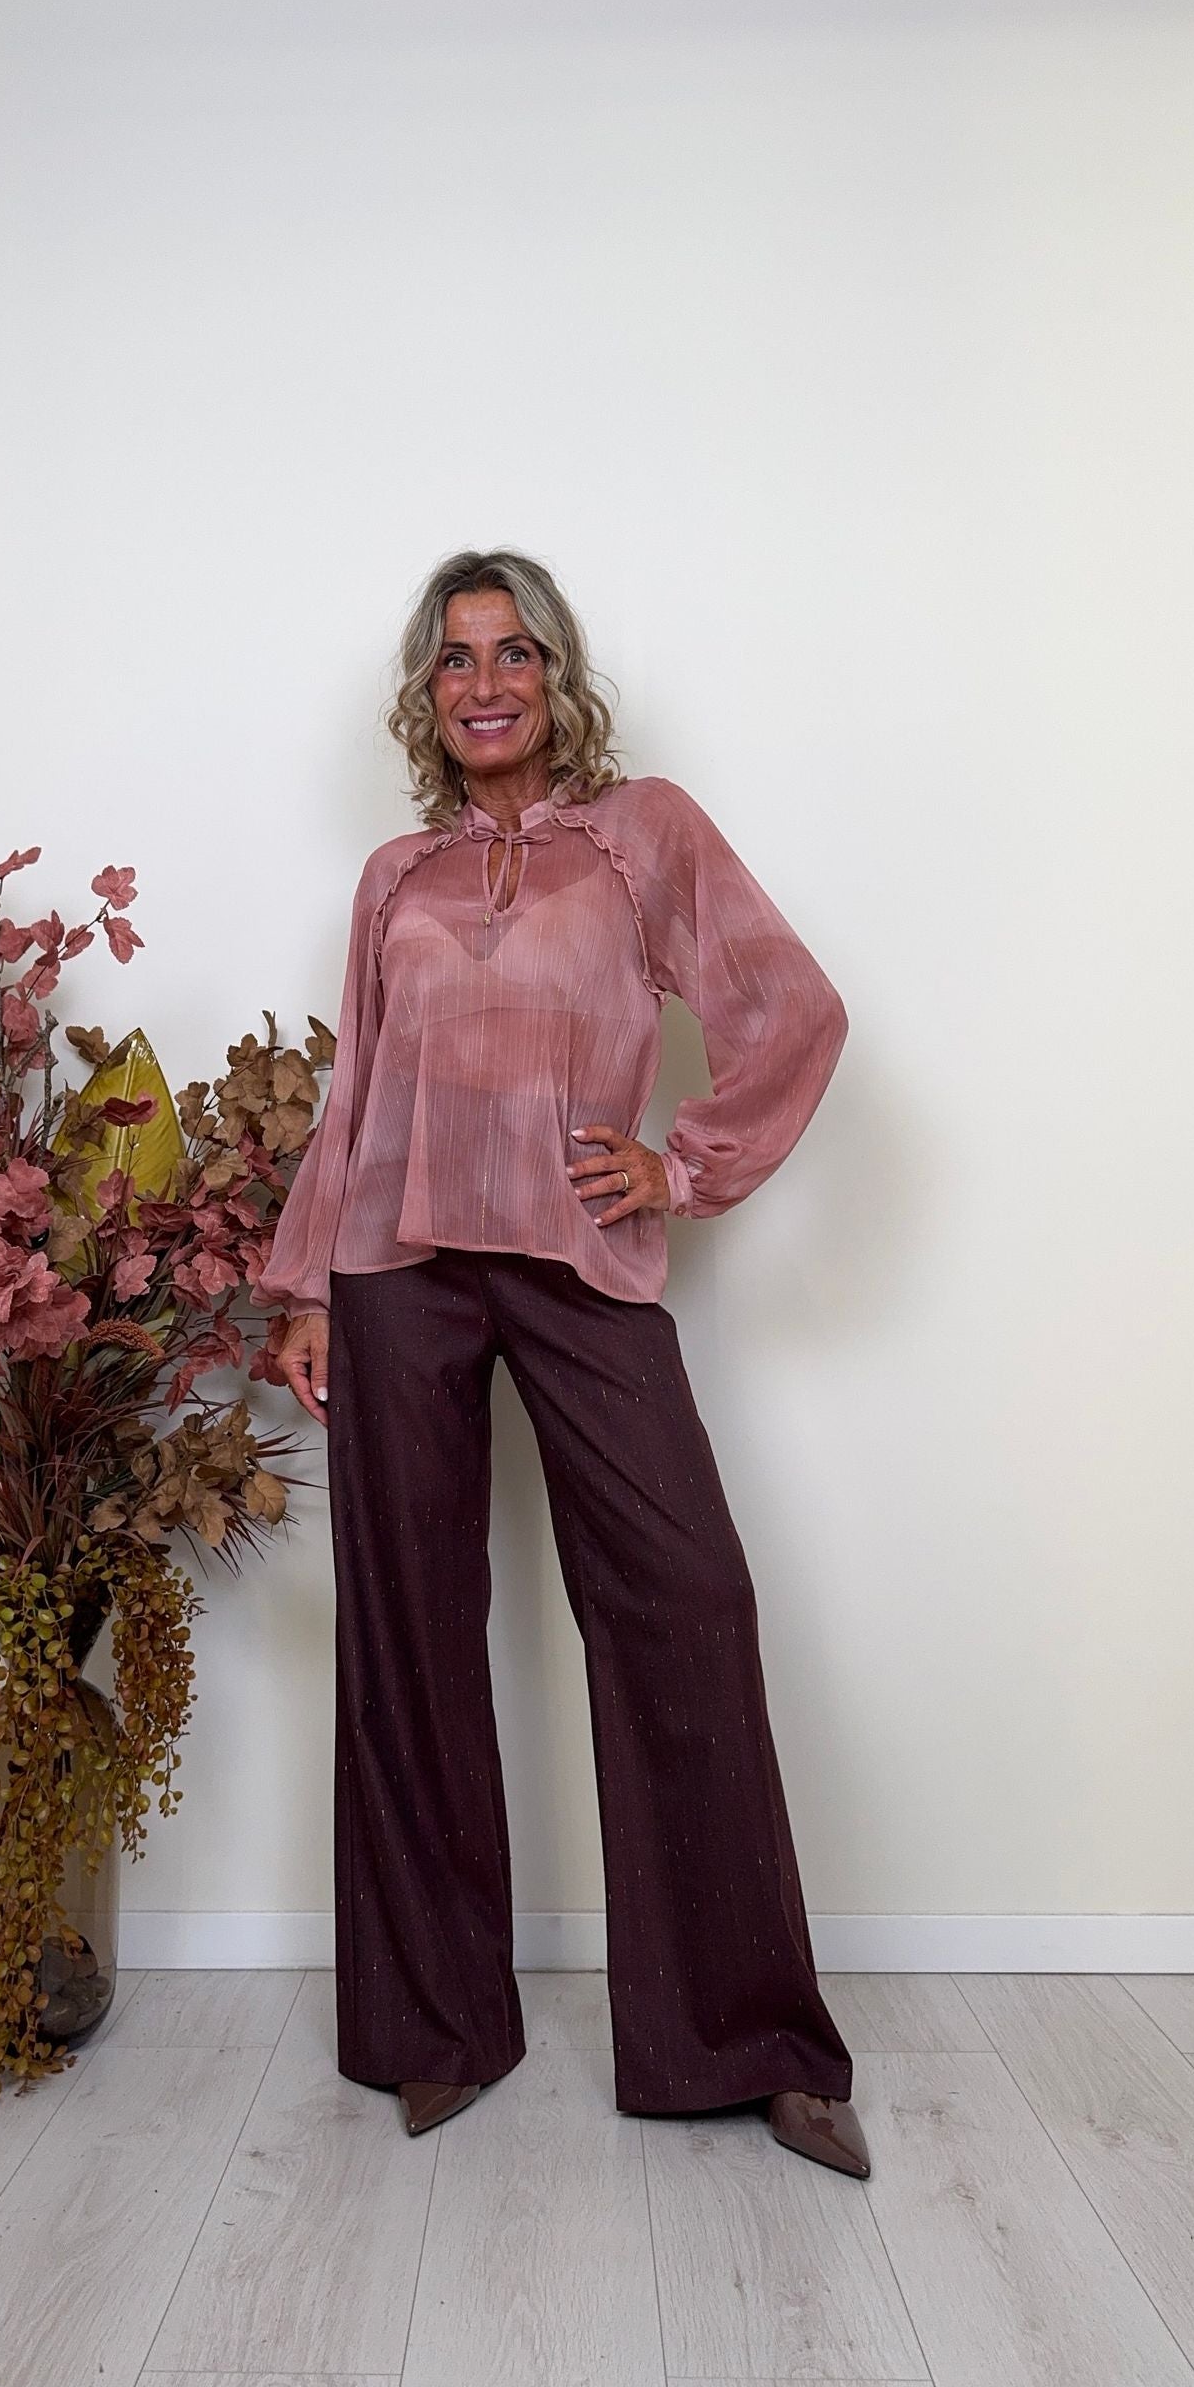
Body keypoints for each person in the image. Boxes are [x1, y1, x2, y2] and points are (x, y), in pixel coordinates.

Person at [249, 546, 868, 2179]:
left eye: (513, 651)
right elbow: (359, 1092)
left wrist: (685, 1164)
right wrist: (307, 1286)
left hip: (580, 1262)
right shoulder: (396, 876)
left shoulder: (642, 833)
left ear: (557, 673)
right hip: (397, 1273)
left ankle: (750, 2041)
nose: (485, 682)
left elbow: (791, 1010)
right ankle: (435, 2027)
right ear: (426, 692)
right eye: (455, 658)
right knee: (407, 1628)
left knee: (686, 1597)